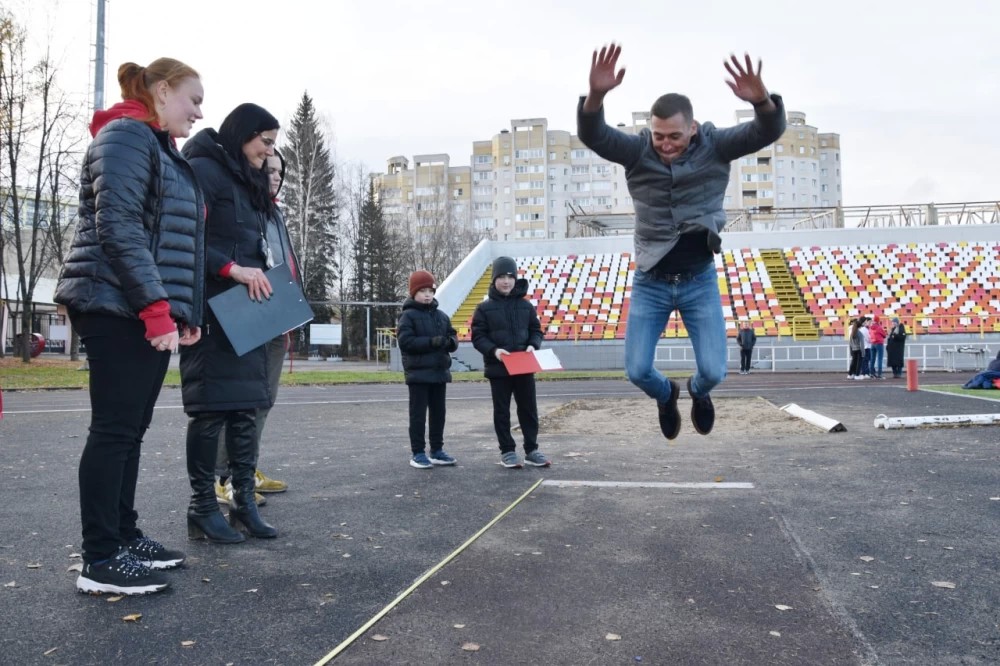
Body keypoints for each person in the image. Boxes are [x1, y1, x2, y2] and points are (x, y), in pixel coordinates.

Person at [577, 43, 786, 440]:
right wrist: (597, 96)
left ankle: (695, 391)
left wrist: (762, 101)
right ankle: (667, 393)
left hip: (698, 280)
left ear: (692, 127)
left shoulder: (716, 145)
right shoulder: (638, 151)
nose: (667, 144)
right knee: (637, 371)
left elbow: (767, 131)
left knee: (714, 372)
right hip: (651, 282)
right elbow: (596, 135)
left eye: (675, 135)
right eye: (659, 136)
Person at [54, 58, 206, 595]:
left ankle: (123, 534)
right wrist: (156, 309)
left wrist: (180, 312)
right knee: (115, 430)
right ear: (162, 92)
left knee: (130, 431)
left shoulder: (157, 146)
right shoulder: (125, 136)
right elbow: (117, 226)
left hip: (137, 304)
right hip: (114, 302)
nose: (199, 110)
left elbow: (170, 239)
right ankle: (99, 559)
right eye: (194, 98)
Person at [179, 103, 282, 542]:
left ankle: (243, 501)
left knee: (245, 410)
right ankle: (202, 508)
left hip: (249, 311)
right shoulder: (203, 170)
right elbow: (186, 238)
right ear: (243, 133)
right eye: (265, 141)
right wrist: (231, 269)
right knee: (210, 412)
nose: (268, 152)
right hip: (213, 310)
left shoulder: (247, 179)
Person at [213, 149, 299, 505]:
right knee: (238, 401)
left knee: (263, 399)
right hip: (248, 315)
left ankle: (246, 470)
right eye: (268, 170)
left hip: (277, 315)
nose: (276, 177)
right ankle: (221, 478)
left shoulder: (275, 213)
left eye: (280, 172)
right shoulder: (240, 210)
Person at [471, 257, 550, 469]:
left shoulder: (526, 306)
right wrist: (495, 351)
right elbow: (478, 337)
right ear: (494, 279)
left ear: (515, 278)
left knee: (528, 410)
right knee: (502, 411)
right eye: (501, 277)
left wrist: (533, 345)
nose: (506, 281)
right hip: (499, 369)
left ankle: (531, 450)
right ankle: (507, 451)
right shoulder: (484, 308)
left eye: (510, 277)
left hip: (524, 367)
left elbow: (536, 330)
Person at [397, 270, 459, 469]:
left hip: (439, 373)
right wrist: (432, 342)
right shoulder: (407, 316)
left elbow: (452, 336)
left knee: (438, 414)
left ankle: (437, 450)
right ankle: (417, 453)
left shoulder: (442, 316)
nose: (427, 294)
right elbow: (406, 342)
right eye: (422, 290)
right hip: (418, 374)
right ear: (413, 293)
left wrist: (450, 342)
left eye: (430, 290)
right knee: (418, 415)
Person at [869, 315, 887, 379]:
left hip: (872, 343)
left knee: (872, 359)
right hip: (879, 343)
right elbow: (884, 335)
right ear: (878, 320)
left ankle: (871, 373)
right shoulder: (879, 327)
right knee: (880, 359)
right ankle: (879, 374)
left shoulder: (870, 327)